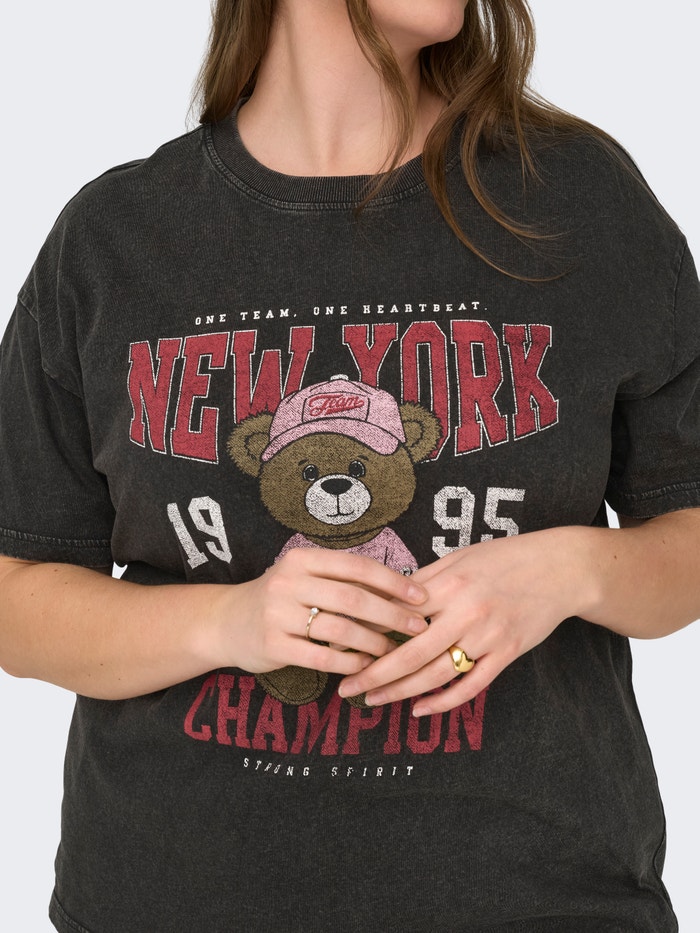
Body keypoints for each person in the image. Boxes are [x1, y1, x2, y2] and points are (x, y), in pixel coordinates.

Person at [0, 0, 698, 930]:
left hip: (538, 899)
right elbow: (16, 595)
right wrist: (228, 622)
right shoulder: (114, 239)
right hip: (177, 897)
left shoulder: (576, 202)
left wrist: (573, 569)